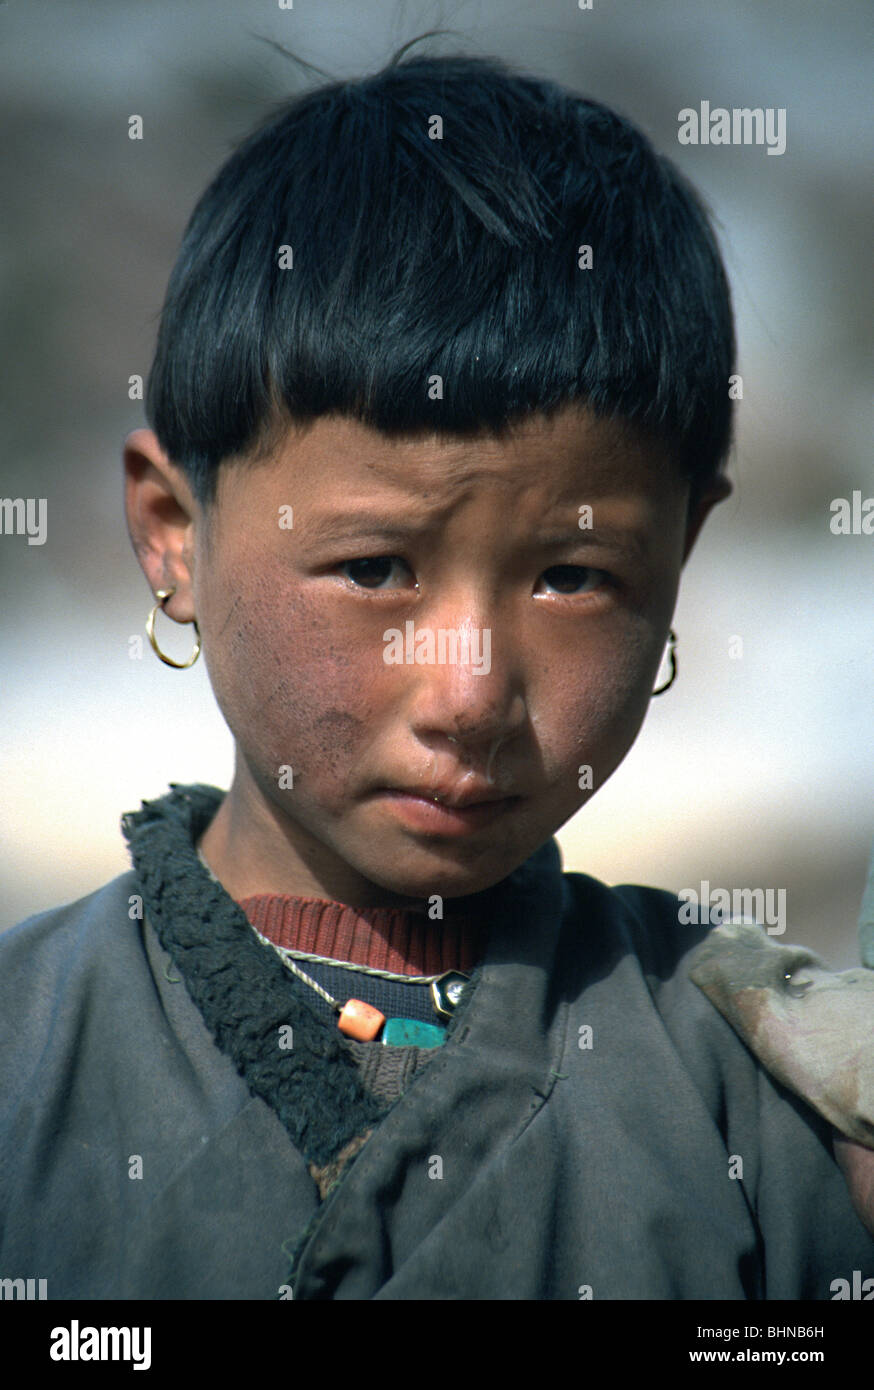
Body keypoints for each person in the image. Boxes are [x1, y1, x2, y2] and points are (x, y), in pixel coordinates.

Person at [1, 49, 871, 1300]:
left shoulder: (770, 1097)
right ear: (172, 532)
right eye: (373, 569)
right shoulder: (28, 1064)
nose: (469, 696)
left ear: (679, 557)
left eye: (572, 577)